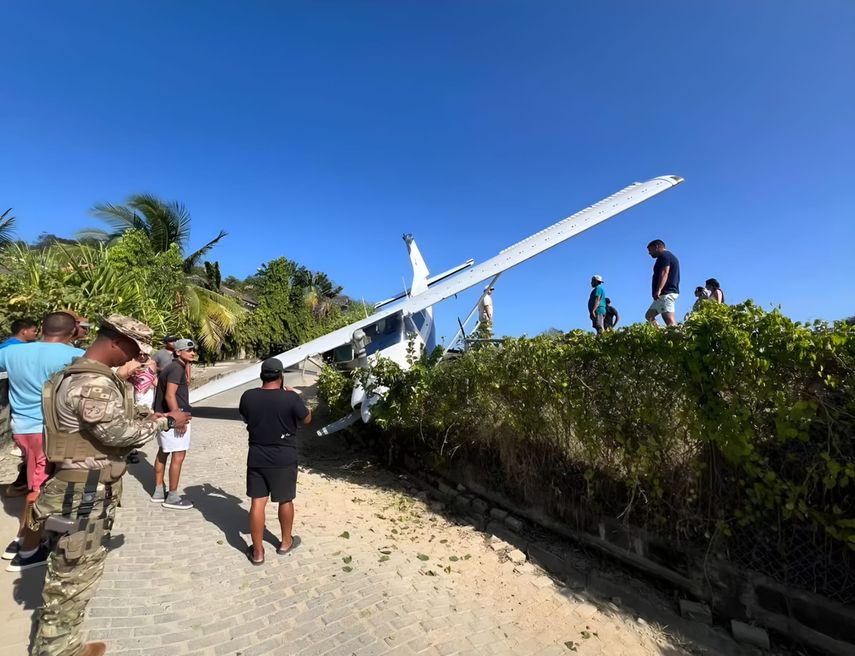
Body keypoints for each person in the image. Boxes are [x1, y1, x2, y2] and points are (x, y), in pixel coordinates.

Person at [30, 314, 190, 656]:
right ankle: (58, 650)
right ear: (115, 341)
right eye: (132, 348)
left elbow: (105, 422)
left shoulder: (74, 373)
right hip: (84, 492)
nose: (135, 357)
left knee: (69, 574)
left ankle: (64, 644)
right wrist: (166, 422)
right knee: (72, 580)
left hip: (75, 487)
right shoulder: (92, 383)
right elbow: (119, 434)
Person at [0, 312, 83, 571]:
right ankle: (27, 549)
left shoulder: (12, 352)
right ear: (71, 333)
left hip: (21, 428)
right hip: (47, 430)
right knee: (39, 488)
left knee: (36, 478)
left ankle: (23, 537)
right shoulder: (73, 355)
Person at [239, 358, 312, 565]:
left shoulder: (248, 396)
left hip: (257, 456)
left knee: (257, 502)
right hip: (284, 457)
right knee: (285, 500)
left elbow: (246, 418)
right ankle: (285, 542)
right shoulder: (290, 398)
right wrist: (299, 398)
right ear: (281, 376)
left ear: (262, 376)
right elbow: (306, 419)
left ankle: (258, 552)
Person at [152, 338, 196, 509]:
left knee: (164, 451)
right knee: (178, 455)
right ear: (178, 352)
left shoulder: (174, 367)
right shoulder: (176, 368)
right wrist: (178, 418)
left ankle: (158, 491)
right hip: (173, 416)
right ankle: (172, 496)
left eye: (193, 350)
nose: (192, 353)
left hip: (164, 415)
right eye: (188, 350)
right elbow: (170, 395)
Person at [1, 319, 39, 495]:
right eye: (34, 330)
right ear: (24, 331)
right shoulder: (13, 349)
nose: (36, 333)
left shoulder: (8, 347)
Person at [644, 239, 681, 327]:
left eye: (650, 250)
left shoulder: (664, 255)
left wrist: (659, 289)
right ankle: (661, 335)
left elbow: (665, 272)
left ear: (657, 247)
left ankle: (678, 339)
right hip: (663, 295)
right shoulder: (668, 256)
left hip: (666, 294)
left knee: (670, 322)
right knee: (649, 316)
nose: (649, 253)